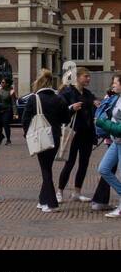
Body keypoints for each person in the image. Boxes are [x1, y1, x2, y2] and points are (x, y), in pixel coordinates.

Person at [23, 69, 69, 212]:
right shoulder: (59, 98)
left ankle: (51, 203)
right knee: (47, 167)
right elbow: (66, 119)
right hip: (55, 137)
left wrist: (27, 134)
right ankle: (43, 200)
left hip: (40, 137)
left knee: (45, 169)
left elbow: (25, 119)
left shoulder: (34, 98)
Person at [58, 68, 100, 203]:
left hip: (87, 133)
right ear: (77, 77)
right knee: (69, 163)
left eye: (89, 76)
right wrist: (71, 108)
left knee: (84, 163)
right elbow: (60, 110)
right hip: (73, 133)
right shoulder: (67, 92)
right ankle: (59, 191)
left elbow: (93, 109)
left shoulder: (88, 94)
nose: (88, 79)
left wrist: (97, 104)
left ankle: (77, 191)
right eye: (86, 76)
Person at [90, 75, 121, 211]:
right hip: (115, 141)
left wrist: (102, 122)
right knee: (104, 168)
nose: (112, 85)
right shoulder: (116, 98)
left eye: (115, 83)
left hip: (119, 138)